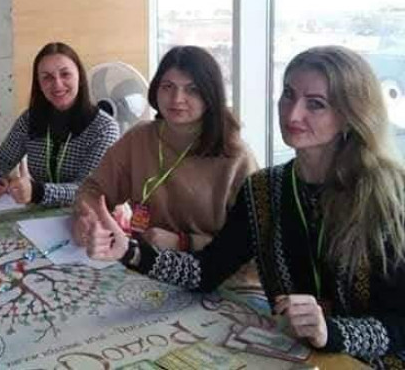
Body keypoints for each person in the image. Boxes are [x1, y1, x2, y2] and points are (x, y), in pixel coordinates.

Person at [86, 46, 405, 368]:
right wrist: (129, 251)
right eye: (288, 95)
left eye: (315, 104)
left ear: (350, 115)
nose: (293, 114)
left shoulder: (392, 198)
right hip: (294, 352)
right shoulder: (263, 189)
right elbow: (206, 271)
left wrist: (331, 332)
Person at [74, 45, 257, 252]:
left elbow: (253, 244)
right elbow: (93, 188)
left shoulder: (235, 157)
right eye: (168, 86)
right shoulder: (139, 137)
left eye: (192, 89)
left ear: (210, 95)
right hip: (144, 260)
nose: (177, 98)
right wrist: (90, 218)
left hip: (209, 268)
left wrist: (183, 242)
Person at [0, 42, 120, 207]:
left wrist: (37, 192)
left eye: (65, 74)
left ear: (80, 77)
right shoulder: (29, 119)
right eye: (47, 77)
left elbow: (87, 190)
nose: (57, 84)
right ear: (39, 84)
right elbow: (0, 160)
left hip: (85, 216)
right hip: (37, 215)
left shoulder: (104, 129)